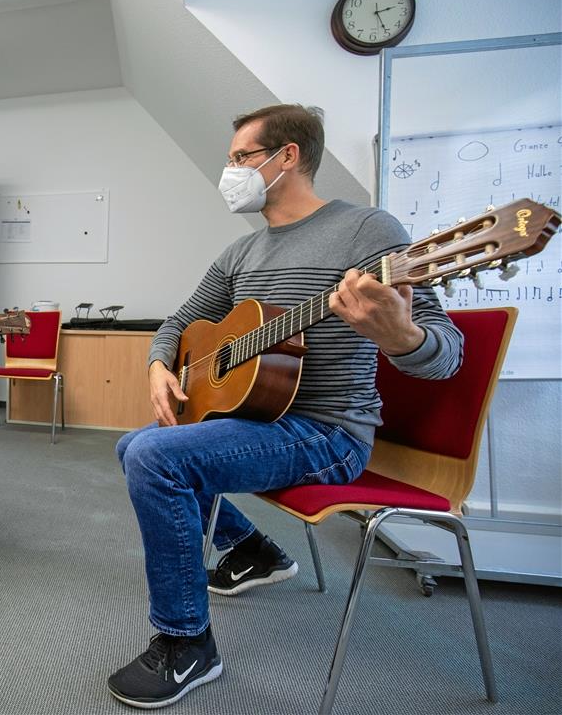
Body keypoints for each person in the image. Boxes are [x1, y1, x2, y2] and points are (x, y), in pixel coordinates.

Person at [107, 105, 463, 709]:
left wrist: (399, 335)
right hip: (260, 420)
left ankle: (186, 644)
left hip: (329, 433)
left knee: (157, 458)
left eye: (240, 158)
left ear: (286, 157)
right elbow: (178, 323)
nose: (231, 172)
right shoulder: (241, 253)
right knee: (133, 445)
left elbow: (445, 353)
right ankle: (252, 550)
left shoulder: (367, 232)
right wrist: (158, 366)